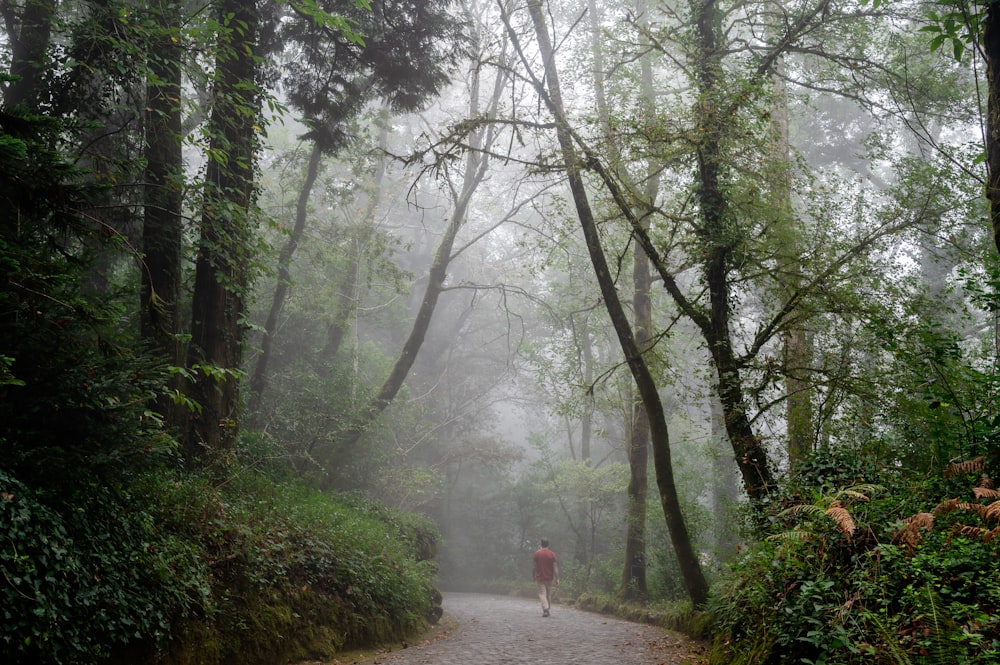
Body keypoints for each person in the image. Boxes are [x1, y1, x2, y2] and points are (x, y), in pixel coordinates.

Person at [532, 538, 559, 617]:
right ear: (548, 544)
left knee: (542, 594)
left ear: (541, 544)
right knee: (548, 594)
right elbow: (555, 567)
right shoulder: (552, 554)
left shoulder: (537, 553)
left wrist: (533, 575)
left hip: (540, 577)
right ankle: (547, 610)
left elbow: (534, 566)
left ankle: (546, 609)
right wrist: (557, 578)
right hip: (549, 577)